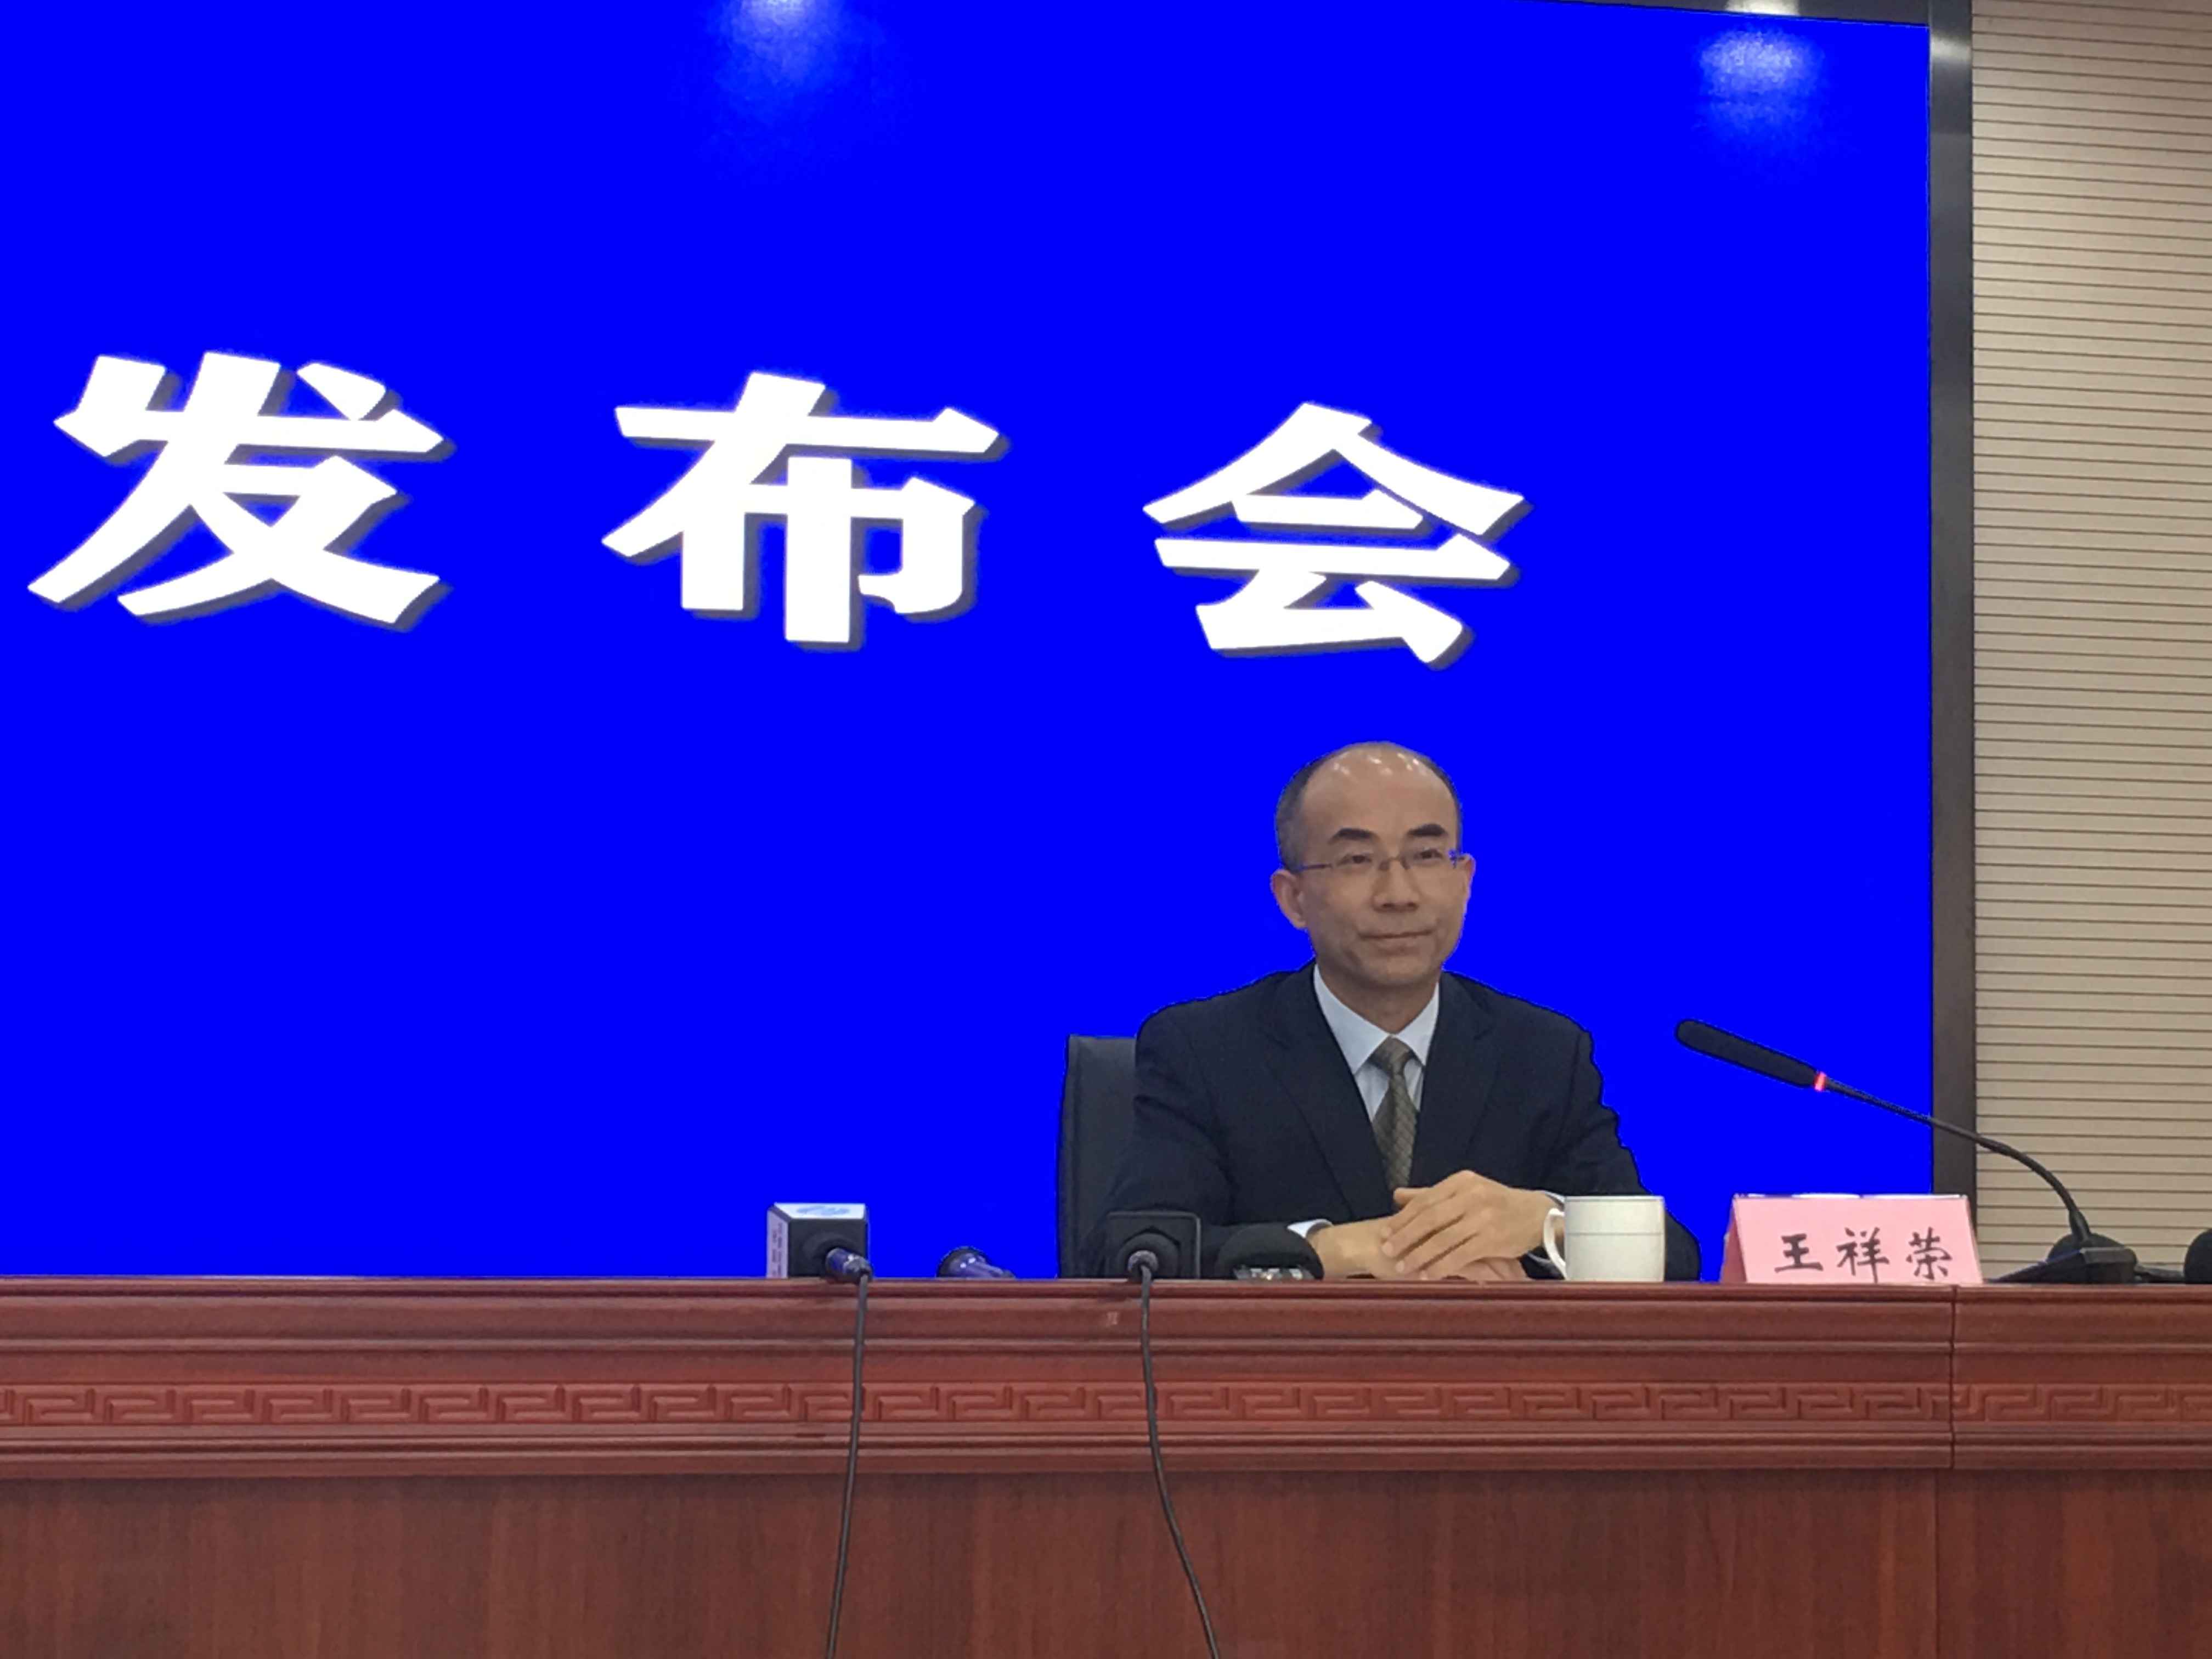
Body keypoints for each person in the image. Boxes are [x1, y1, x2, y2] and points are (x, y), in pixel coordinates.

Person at [1088, 741, 1697, 1280]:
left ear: (1464, 880)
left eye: (1427, 856)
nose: (1399, 894)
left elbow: (1673, 1255)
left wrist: (1546, 1221)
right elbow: (1135, 1251)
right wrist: (1329, 1251)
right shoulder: (1206, 1049)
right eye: (1357, 861)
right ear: (1293, 898)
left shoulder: (1542, 1052)